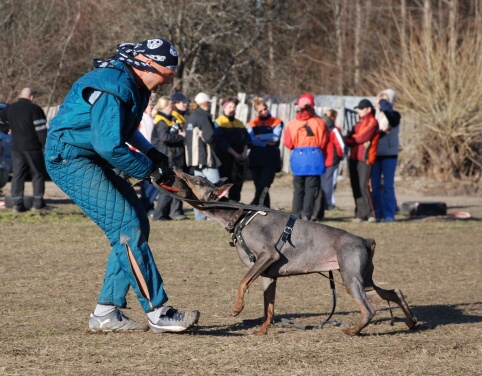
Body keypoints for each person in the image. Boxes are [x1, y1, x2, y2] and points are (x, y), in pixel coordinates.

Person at [44, 38, 200, 333]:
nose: (169, 80)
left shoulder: (136, 86)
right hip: (69, 158)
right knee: (127, 227)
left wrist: (153, 154)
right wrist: (150, 171)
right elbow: (109, 145)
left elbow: (124, 132)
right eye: (168, 73)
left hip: (92, 155)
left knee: (137, 223)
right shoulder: (115, 85)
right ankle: (158, 311)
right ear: (148, 65)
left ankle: (105, 312)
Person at [283, 93, 329, 221]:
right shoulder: (321, 123)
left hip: (298, 156)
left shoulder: (292, 124)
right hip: (315, 156)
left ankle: (296, 213)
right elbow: (324, 142)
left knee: (298, 188)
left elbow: (288, 143)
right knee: (311, 188)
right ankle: (307, 214)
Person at [3, 88, 47, 213]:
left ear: (20, 95)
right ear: (32, 97)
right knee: (37, 174)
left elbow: (0, 121)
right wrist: (46, 146)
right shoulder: (35, 109)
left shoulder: (10, 109)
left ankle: (17, 204)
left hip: (16, 148)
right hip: (32, 147)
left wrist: (7, 129)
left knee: (17, 175)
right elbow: (41, 131)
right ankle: (38, 204)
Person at [184, 92, 220, 220]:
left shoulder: (191, 117)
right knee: (214, 187)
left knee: (198, 189)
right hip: (206, 158)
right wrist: (218, 147)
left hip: (194, 159)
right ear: (206, 103)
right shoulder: (204, 116)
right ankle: (214, 215)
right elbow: (210, 137)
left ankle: (199, 216)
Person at [150, 96, 186, 221]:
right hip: (168, 156)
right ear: (164, 106)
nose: (173, 107)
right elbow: (165, 137)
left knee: (173, 185)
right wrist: (181, 137)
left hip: (173, 156)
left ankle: (167, 213)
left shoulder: (170, 119)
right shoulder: (161, 120)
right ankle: (159, 214)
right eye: (170, 105)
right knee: (168, 185)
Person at [345, 99, 380, 223]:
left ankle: (371, 213)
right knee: (355, 186)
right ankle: (360, 214)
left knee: (363, 186)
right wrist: (353, 139)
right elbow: (348, 139)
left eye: (361, 108)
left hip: (365, 158)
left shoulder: (373, 122)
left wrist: (353, 139)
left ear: (368, 109)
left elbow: (361, 137)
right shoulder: (358, 124)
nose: (359, 110)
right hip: (354, 157)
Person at [370, 89, 401, 222]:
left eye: (385, 100)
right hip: (375, 154)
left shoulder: (394, 115)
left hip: (390, 154)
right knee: (375, 186)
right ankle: (378, 213)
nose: (381, 103)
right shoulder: (373, 115)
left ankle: (389, 214)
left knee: (388, 186)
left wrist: (384, 105)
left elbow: (392, 119)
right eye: (379, 99)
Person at [246, 97, 283, 207]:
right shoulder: (252, 123)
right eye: (261, 110)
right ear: (256, 111)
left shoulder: (276, 121)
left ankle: (255, 204)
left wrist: (260, 136)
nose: (264, 112)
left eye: (265, 109)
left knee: (265, 184)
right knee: (258, 185)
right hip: (256, 158)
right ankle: (264, 207)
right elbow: (251, 139)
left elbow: (275, 138)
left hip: (271, 158)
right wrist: (265, 142)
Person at [214, 97, 250, 202]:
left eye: (234, 107)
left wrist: (244, 152)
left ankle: (235, 208)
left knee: (236, 186)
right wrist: (235, 154)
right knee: (223, 186)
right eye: (230, 106)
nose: (232, 109)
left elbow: (247, 140)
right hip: (224, 160)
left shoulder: (240, 123)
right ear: (224, 108)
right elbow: (221, 142)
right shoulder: (218, 122)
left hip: (239, 161)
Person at [137, 95, 159, 214]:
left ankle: (147, 205)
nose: (151, 107)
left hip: (151, 153)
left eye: (152, 105)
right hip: (144, 154)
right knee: (148, 182)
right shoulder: (141, 118)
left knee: (152, 182)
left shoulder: (151, 118)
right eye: (149, 105)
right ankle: (145, 205)